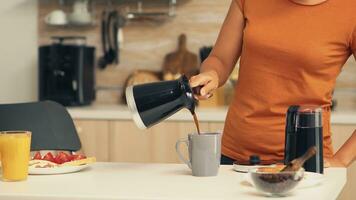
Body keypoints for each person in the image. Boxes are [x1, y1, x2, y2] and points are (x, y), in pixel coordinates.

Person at [190, 0, 356, 167]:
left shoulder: (350, 9)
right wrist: (212, 74)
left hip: (306, 161)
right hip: (236, 157)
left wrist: (342, 159)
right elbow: (220, 59)